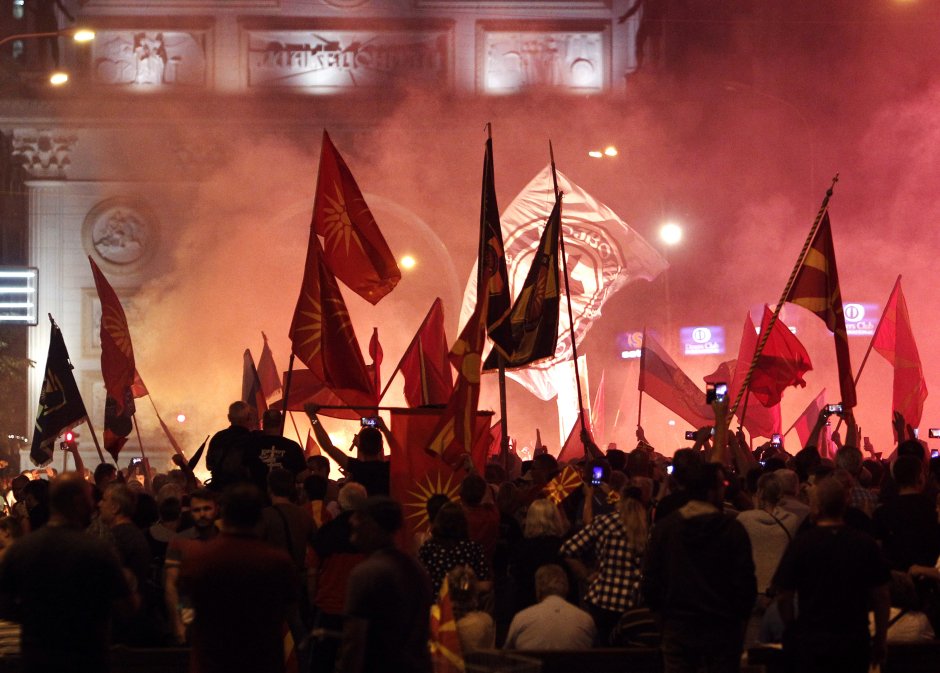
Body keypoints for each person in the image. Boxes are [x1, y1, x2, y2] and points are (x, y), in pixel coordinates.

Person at [0, 473, 133, 673]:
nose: (95, 504)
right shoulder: (98, 550)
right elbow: (126, 607)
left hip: (37, 658)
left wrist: (36, 616)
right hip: (86, 658)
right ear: (78, 502)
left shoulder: (21, 549)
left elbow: (4, 604)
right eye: (90, 498)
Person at [643, 462, 756, 673]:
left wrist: (665, 624)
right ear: (712, 491)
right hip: (722, 632)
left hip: (679, 631)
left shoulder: (666, 529)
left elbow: (651, 583)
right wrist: (738, 626)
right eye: (722, 484)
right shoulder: (732, 529)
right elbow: (746, 585)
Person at [773, 476, 890, 673]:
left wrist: (792, 629)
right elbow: (881, 595)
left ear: (816, 506)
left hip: (812, 639)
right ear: (845, 503)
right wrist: (880, 638)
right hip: (854, 638)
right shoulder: (863, 543)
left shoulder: (802, 543)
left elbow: (784, 595)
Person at [181, 483, 297, 673]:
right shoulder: (278, 561)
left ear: (224, 516)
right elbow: (289, 606)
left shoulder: (200, 558)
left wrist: (186, 625)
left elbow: (185, 602)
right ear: (259, 518)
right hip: (262, 661)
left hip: (213, 660)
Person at [336, 496, 432, 673]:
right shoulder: (416, 568)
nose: (352, 520)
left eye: (360, 516)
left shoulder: (366, 573)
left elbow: (354, 642)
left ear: (374, 526)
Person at [562, 486, 648, 645]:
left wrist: (586, 575)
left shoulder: (604, 522)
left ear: (620, 501)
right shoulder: (648, 527)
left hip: (602, 598)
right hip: (635, 602)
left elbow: (568, 549)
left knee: (602, 649)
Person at [308, 482, 368, 673]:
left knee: (322, 662)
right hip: (362, 609)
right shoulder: (373, 535)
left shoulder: (326, 532)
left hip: (329, 606)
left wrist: (312, 600)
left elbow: (311, 570)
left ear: (340, 504)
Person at [164, 489, 219, 644]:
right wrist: (178, 624)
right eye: (197, 510)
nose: (202, 514)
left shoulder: (225, 538)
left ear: (216, 509)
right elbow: (170, 585)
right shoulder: (180, 542)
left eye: (207, 508)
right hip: (189, 613)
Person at [503, 564, 596, 650]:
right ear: (566, 588)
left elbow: (507, 654)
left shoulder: (521, 618)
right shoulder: (586, 619)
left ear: (538, 589)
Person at [308, 405, 393, 496]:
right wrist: (384, 428)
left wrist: (312, 416)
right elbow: (399, 450)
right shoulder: (389, 468)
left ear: (359, 447)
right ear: (381, 446)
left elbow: (327, 446)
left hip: (363, 510)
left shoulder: (357, 467)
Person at [418, 501, 491, 596]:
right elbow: (485, 583)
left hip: (436, 605)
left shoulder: (429, 547)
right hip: (466, 605)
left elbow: (419, 579)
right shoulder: (473, 549)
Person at [205, 401, 261, 491]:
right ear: (249, 417)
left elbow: (209, 465)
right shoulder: (255, 439)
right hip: (244, 492)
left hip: (219, 490)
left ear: (229, 417)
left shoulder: (218, 437)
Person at [246, 409, 306, 480]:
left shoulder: (252, 444)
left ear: (263, 424)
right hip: (284, 490)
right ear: (281, 424)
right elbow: (302, 475)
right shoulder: (293, 446)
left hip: (257, 490)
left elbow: (245, 470)